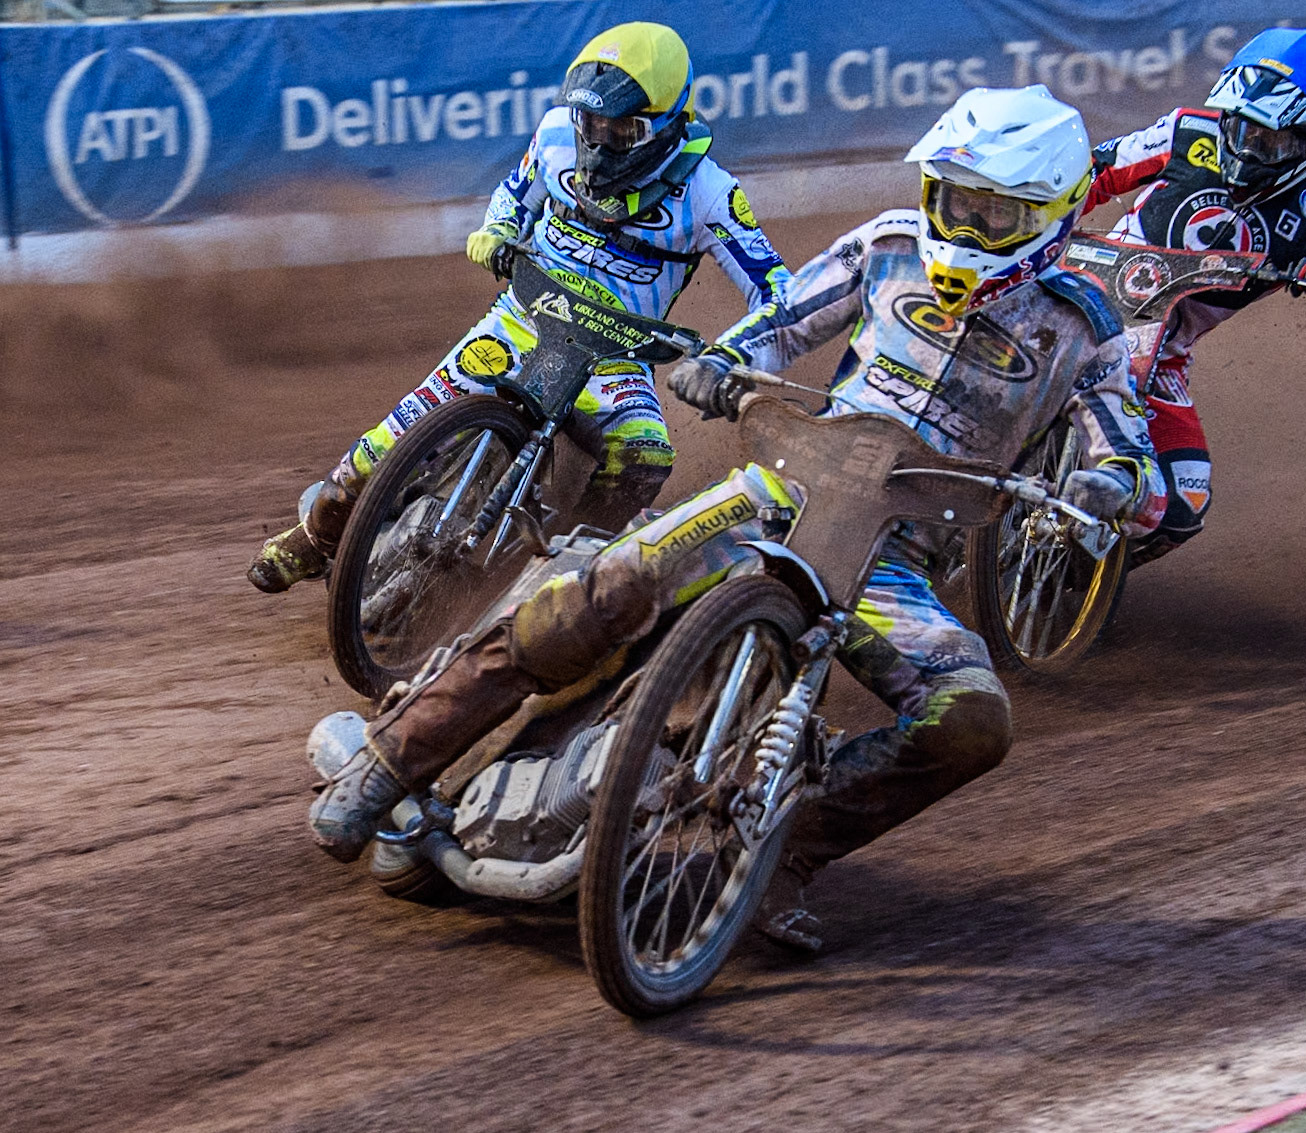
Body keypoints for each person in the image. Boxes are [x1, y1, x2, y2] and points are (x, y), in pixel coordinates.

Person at [306, 85, 1166, 952]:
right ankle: (391, 760)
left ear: (1051, 216)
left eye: (995, 212)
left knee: (973, 716)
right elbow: (781, 323)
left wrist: (1108, 488)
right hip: (781, 490)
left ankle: (780, 851)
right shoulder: (887, 245)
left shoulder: (1084, 328)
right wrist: (722, 362)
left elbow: (1125, 447)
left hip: (893, 559)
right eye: (955, 198)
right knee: (606, 585)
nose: (967, 225)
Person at [247, 21, 791, 593]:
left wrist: (728, 358)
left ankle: (562, 578)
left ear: (667, 121)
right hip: (522, 318)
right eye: (592, 123)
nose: (601, 141)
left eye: (622, 130)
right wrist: (499, 229)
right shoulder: (556, 134)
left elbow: (777, 293)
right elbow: (516, 192)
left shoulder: (711, 193)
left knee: (645, 455)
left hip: (615, 358)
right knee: (367, 462)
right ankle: (314, 539)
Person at [1085, 25, 1306, 568]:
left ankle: (1069, 589)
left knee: (1185, 499)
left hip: (1163, 355)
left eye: (1270, 141)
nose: (1249, 149)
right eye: (1241, 129)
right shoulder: (1185, 132)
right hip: (1085, 296)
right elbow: (1094, 173)